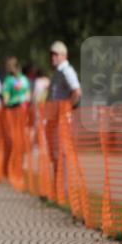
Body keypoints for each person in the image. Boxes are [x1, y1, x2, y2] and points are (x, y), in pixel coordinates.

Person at [45, 41, 82, 187]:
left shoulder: (67, 70)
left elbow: (77, 92)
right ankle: (59, 186)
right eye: (51, 54)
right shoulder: (58, 71)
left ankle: (63, 188)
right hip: (55, 118)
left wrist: (66, 108)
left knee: (62, 152)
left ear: (64, 56)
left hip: (62, 118)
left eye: (56, 54)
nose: (52, 57)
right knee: (56, 151)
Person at [1, 57, 30, 182]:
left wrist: (8, 99)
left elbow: (6, 99)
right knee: (15, 142)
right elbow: (28, 96)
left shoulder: (9, 80)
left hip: (13, 112)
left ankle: (13, 171)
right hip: (19, 112)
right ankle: (12, 171)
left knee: (15, 143)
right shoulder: (23, 79)